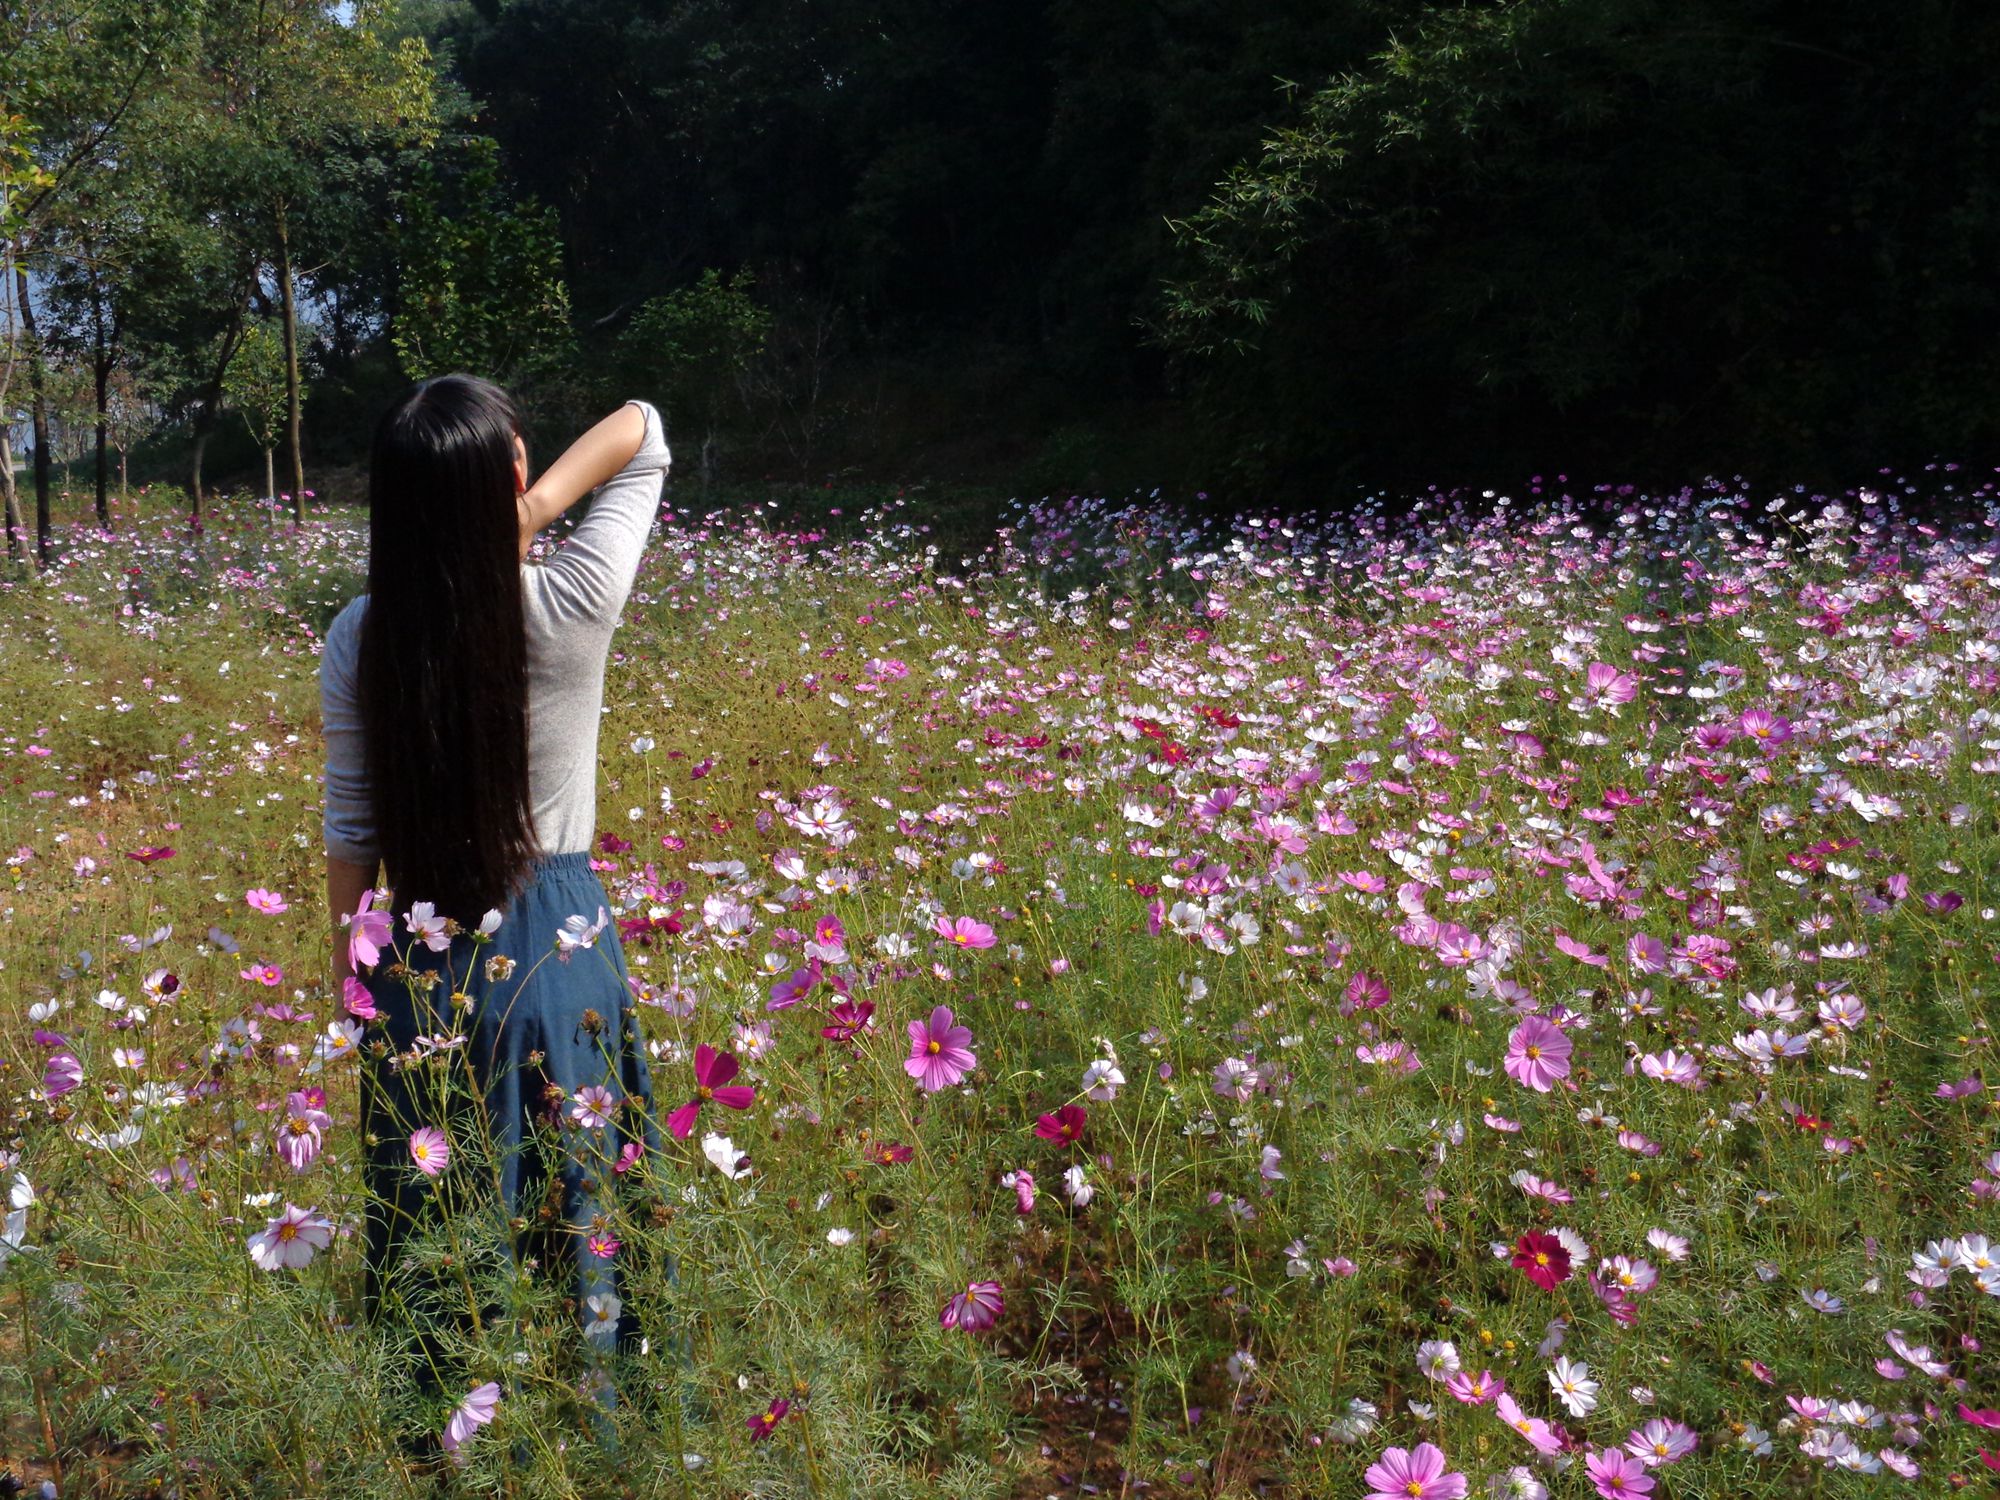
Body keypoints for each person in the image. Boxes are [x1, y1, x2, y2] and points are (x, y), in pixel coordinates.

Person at [319, 374, 669, 1387]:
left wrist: (352, 981)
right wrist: (529, 514)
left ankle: (444, 1432)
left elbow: (352, 827)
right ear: (515, 473)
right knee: (577, 1211)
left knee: (436, 1225)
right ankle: (590, 1421)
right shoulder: (569, 600)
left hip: (418, 960)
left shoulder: (362, 634)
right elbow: (642, 430)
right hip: (558, 951)